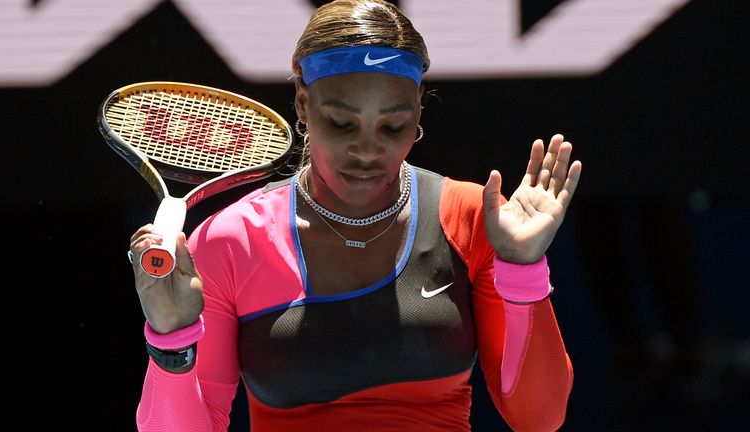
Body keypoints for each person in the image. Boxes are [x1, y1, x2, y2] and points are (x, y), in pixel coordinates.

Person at [128, 1, 580, 430]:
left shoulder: (471, 217)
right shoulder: (231, 240)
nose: (367, 151)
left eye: (393, 126)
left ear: (419, 109)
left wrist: (523, 270)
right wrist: (172, 340)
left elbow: (538, 419)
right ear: (303, 105)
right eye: (342, 123)